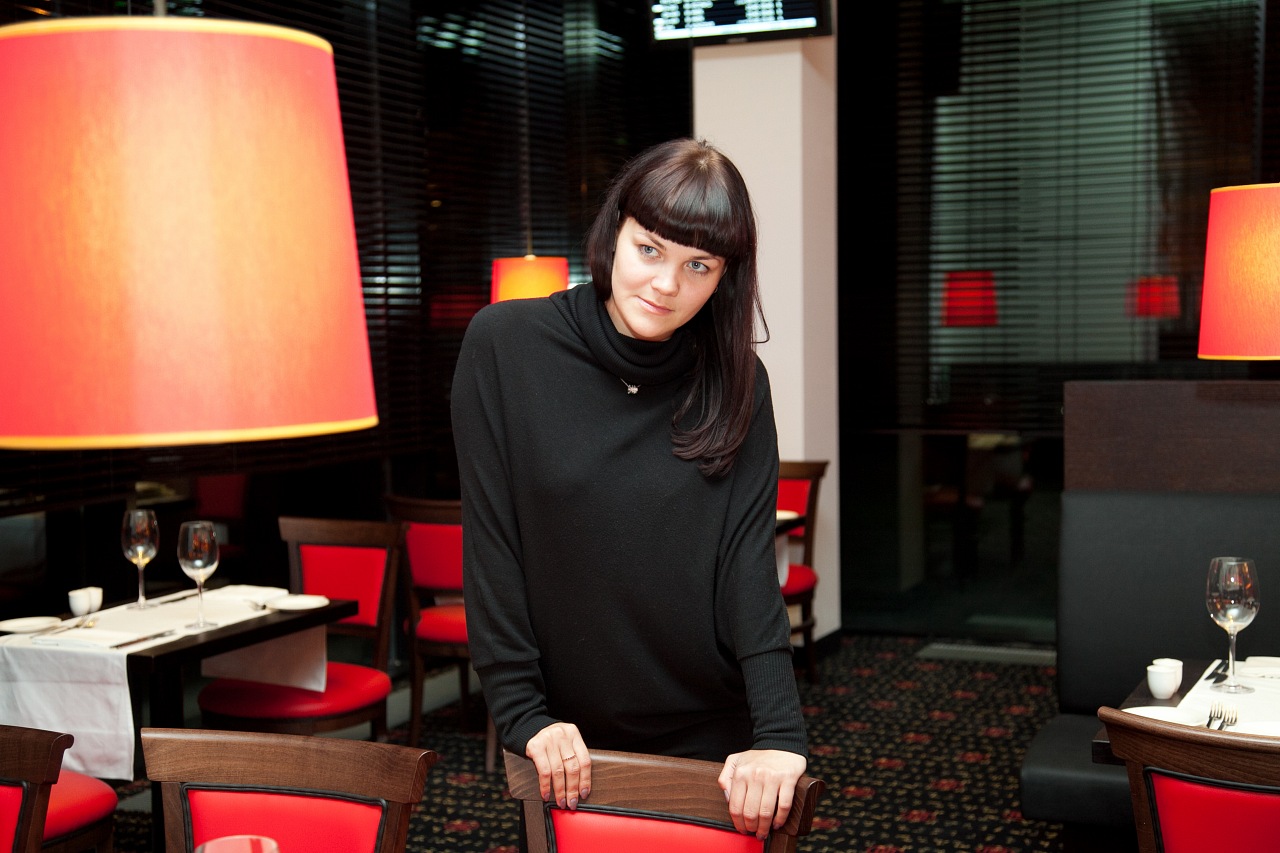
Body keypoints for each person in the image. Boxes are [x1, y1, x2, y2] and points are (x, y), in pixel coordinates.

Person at [451, 137, 808, 839]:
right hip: (567, 740)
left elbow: (747, 567)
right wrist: (522, 713)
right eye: (650, 249)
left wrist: (779, 733)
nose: (666, 284)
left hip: (711, 728)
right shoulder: (505, 346)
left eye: (698, 265)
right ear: (615, 231)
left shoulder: (737, 381)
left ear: (724, 278)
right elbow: (493, 548)